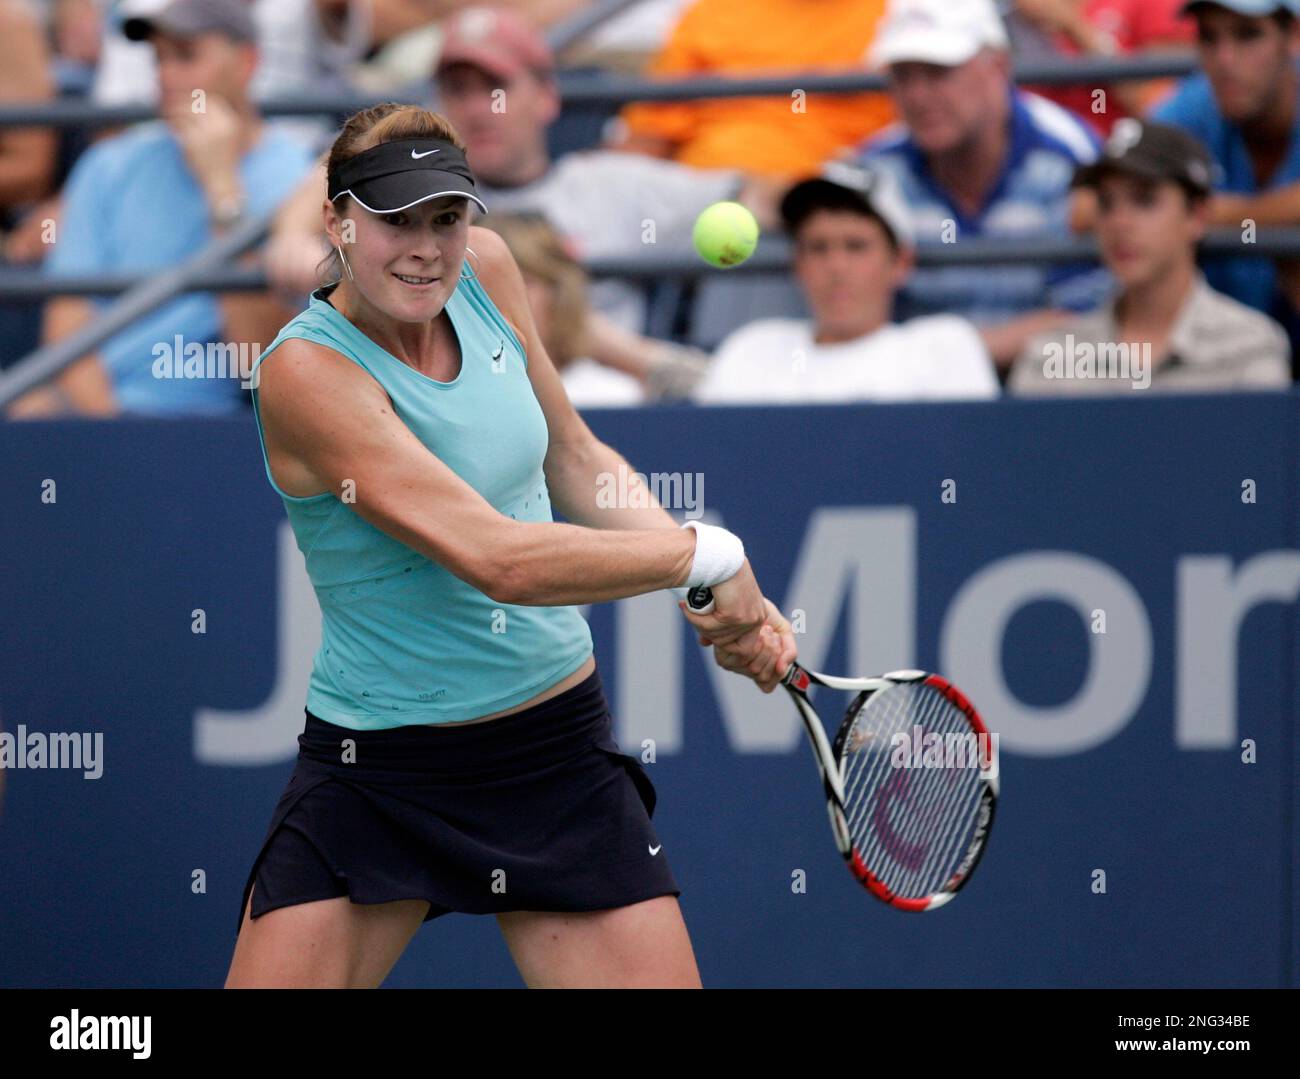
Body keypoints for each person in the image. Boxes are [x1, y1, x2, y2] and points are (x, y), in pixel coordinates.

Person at [226, 102, 798, 989]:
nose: (426, 247)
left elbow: (574, 456)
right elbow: (500, 558)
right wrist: (702, 557)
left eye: (445, 218)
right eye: (393, 220)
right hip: (379, 770)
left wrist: (704, 592)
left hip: (552, 753)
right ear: (338, 222)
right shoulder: (304, 372)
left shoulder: (487, 271)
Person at [265, 5, 733, 396]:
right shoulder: (414, 192)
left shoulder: (612, 183)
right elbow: (340, 162)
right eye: (457, 90)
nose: (475, 108)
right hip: (456, 398)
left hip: (601, 401)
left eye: (495, 89)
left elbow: (755, 195)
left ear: (546, 96)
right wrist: (290, 236)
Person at [6, 0, 315, 418]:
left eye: (185, 56)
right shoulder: (107, 165)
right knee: (31, 411)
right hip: (96, 416)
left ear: (247, 62)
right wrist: (114, 431)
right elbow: (66, 330)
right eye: (158, 58)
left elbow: (260, 363)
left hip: (219, 427)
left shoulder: (300, 180)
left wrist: (223, 188)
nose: (167, 76)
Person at [853, 0, 1110, 368]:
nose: (918, 95)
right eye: (902, 74)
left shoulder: (1072, 158)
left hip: (1047, 395)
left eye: (938, 72)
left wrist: (946, 359)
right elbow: (851, 325)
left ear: (999, 67)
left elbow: (1093, 320)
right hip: (915, 402)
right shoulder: (875, 170)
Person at [1010, 119, 1290, 392]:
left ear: (1197, 216)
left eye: (1144, 200)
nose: (1120, 222)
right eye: (1106, 203)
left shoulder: (1250, 346)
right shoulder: (1049, 356)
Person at [694, 160, 999, 403]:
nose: (836, 266)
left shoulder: (945, 348)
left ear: (901, 262)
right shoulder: (750, 351)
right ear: (798, 264)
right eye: (818, 247)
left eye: (856, 246)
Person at [1147, 0, 1300, 372]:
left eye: (1247, 35)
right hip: (1215, 370)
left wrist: (1214, 212)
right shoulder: (1194, 105)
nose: (1225, 60)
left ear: (1291, 37)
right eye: (1208, 37)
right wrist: (1274, 218)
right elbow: (1090, 205)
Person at [607, 0, 897, 180]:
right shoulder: (713, 11)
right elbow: (652, 136)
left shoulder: (905, 18)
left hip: (831, 204)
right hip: (703, 198)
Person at [480, 211, 648, 406]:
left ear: (560, 293)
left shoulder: (613, 395)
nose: (499, 300)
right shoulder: (450, 398)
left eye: (522, 283)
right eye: (482, 286)